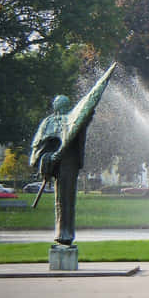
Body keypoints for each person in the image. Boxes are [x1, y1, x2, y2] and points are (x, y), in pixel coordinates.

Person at [30, 95, 91, 245]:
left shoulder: (74, 118)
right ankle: (62, 232)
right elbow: (38, 146)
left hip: (70, 163)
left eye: (65, 104)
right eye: (60, 104)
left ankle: (67, 233)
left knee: (67, 199)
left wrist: (90, 111)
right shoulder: (48, 122)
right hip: (55, 162)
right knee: (61, 200)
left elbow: (83, 122)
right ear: (56, 107)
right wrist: (48, 157)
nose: (62, 107)